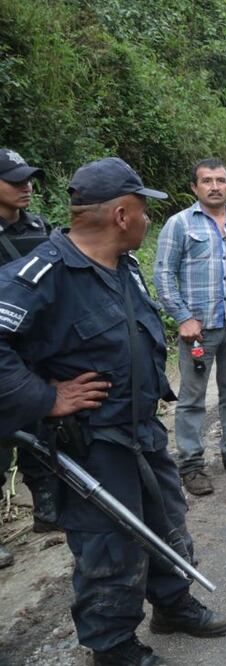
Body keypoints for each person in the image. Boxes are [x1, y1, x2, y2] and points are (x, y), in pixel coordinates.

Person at [0, 157, 226, 664]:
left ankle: (172, 604)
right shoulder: (43, 273)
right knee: (110, 547)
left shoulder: (122, 265)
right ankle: (112, 646)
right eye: (143, 210)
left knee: (166, 521)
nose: (148, 219)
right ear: (122, 215)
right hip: (90, 444)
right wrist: (46, 398)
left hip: (141, 431)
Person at [154, 159, 226, 496]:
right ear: (195, 187)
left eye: (221, 180)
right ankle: (191, 465)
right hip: (199, 332)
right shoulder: (179, 225)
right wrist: (183, 318)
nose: (215, 186)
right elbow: (163, 275)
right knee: (192, 399)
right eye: (206, 181)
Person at [0, 148, 61, 566]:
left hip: (37, 347)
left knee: (43, 430)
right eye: (15, 181)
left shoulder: (39, 227)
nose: (26, 188)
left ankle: (47, 509)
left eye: (28, 180)